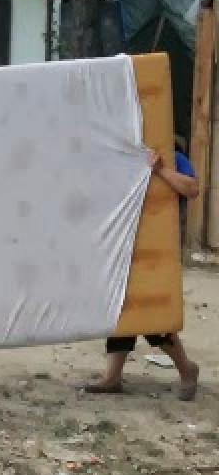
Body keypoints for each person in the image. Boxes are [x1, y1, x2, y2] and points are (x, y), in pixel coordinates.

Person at [84, 146, 202, 400]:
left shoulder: (173, 156)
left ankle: (186, 369)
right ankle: (112, 376)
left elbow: (192, 189)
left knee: (150, 312)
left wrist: (161, 170)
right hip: (125, 245)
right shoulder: (123, 154)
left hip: (157, 250)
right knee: (121, 306)